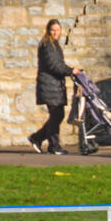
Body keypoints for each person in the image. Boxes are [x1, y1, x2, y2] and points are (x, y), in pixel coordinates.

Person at [28, 19, 79, 155]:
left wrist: (70, 70)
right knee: (56, 115)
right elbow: (54, 65)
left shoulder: (54, 44)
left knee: (57, 115)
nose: (55, 32)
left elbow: (58, 64)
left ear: (61, 30)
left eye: (57, 29)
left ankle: (38, 138)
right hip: (49, 85)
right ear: (48, 30)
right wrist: (70, 71)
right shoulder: (47, 45)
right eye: (52, 30)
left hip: (55, 86)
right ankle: (53, 146)